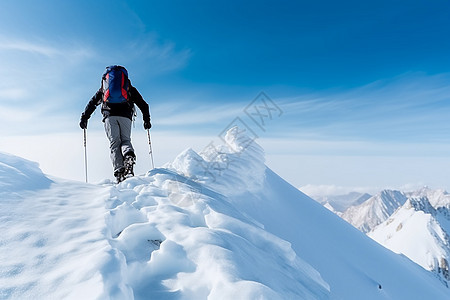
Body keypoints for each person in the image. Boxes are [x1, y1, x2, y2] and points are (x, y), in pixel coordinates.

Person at [79, 65, 151, 183]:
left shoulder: (103, 90)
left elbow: (92, 103)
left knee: (114, 143)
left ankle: (119, 171)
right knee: (125, 140)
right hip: (126, 116)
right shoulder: (129, 88)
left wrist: (84, 118)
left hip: (110, 117)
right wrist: (146, 120)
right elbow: (144, 104)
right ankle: (128, 155)